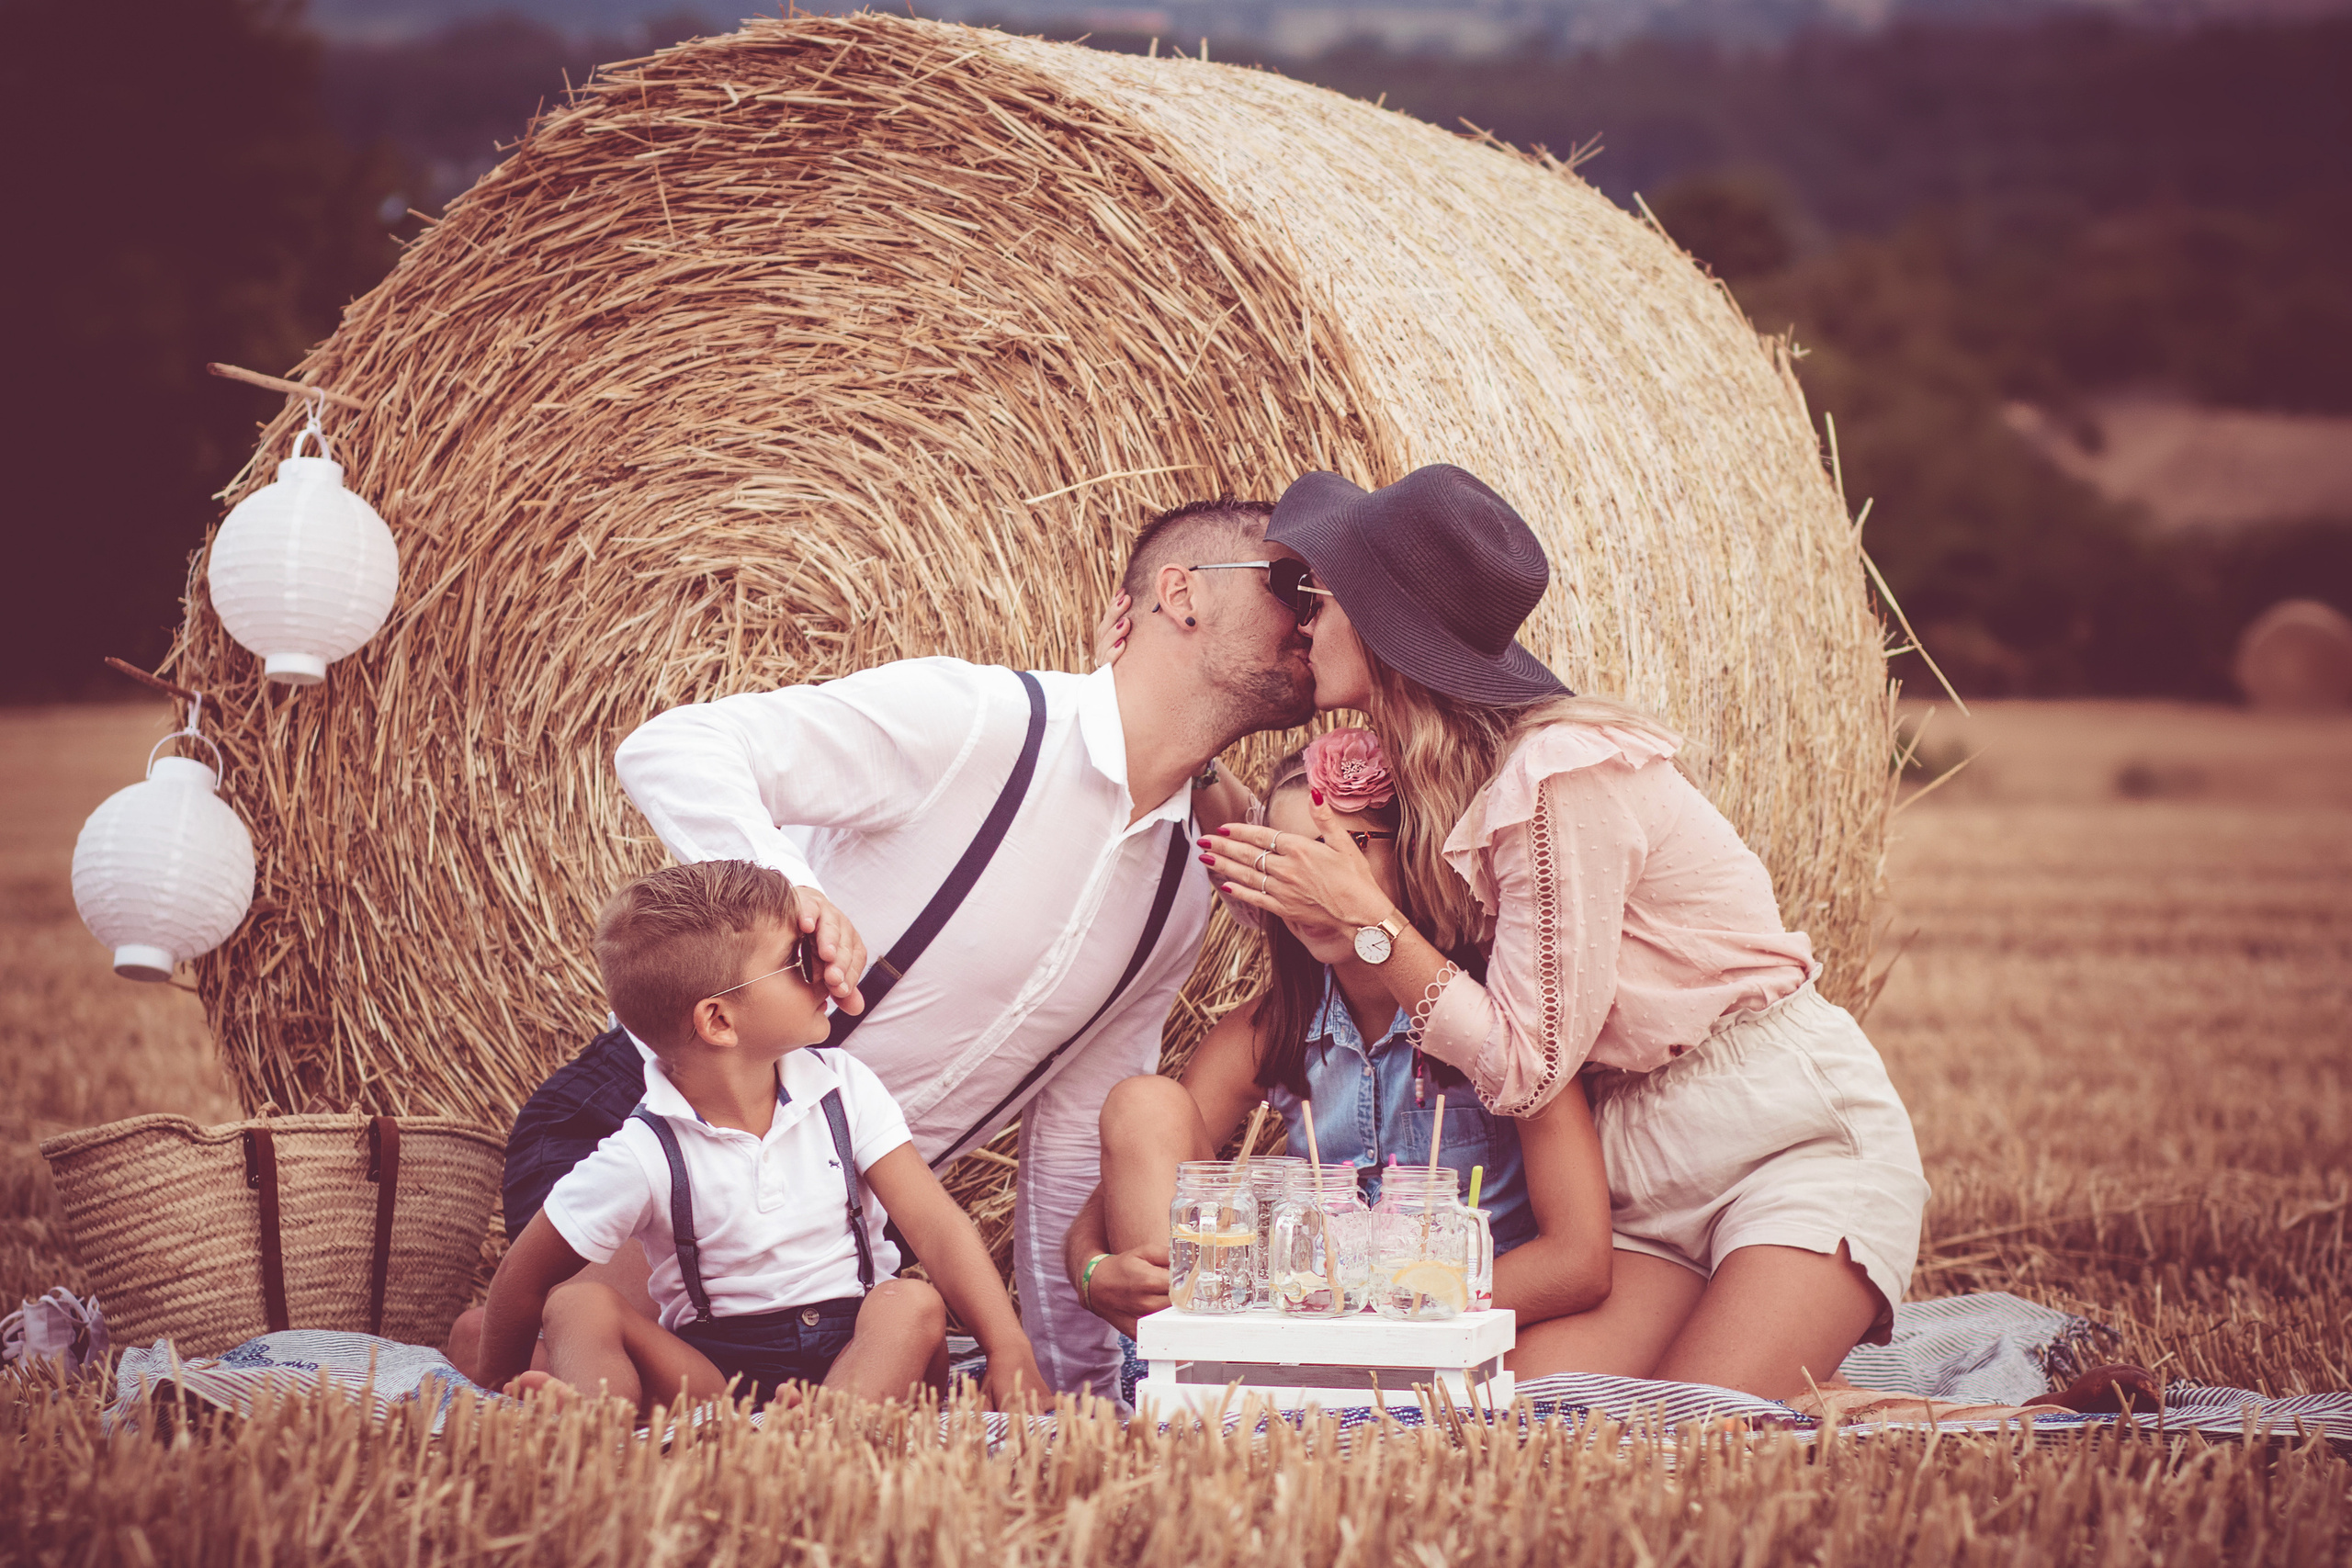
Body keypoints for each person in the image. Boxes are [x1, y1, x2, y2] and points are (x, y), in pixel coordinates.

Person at [480, 497, 1319, 1399]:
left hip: (826, 1250)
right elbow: (678, 746)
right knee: (603, 1373)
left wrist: (1081, 1396)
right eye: (1289, 585)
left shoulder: (1181, 886)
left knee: (777, 1401)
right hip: (655, 1130)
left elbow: (1072, 1138)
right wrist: (786, 885)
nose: (1315, 617)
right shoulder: (977, 722)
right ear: (1182, 594)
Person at [1198, 465, 1930, 1401]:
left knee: (1701, 1428)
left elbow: (1525, 1066)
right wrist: (1183, 749)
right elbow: (1307, 897)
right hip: (1635, 1165)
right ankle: (1856, 1400)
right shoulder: (1444, 780)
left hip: (1783, 1138)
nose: (1303, 621)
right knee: (1543, 1417)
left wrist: (1372, 922)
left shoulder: (1556, 778)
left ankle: (2002, 1421)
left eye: (1321, 599)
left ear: (1382, 624)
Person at [1066, 728, 1615, 1352]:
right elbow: (1123, 1175)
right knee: (1142, 1103)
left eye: (1344, 848)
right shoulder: (1273, 1028)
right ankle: (1191, 1394)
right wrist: (1091, 1271)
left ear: (1410, 851)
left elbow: (1582, 1258)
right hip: (1321, 1329)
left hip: (1467, 1329)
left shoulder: (1498, 1017)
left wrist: (1399, 1309)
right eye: (1285, 857)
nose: (1311, 882)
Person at [470, 861, 1043, 1414]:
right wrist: (496, 1387)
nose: (824, 970)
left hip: (862, 1350)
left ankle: (825, 1426)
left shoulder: (843, 1089)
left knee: (912, 1302)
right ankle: (591, 1419)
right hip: (717, 1379)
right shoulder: (645, 1151)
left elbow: (936, 1227)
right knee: (578, 1302)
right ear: (719, 1021)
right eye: (797, 961)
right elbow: (522, 1278)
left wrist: (1008, 1347)